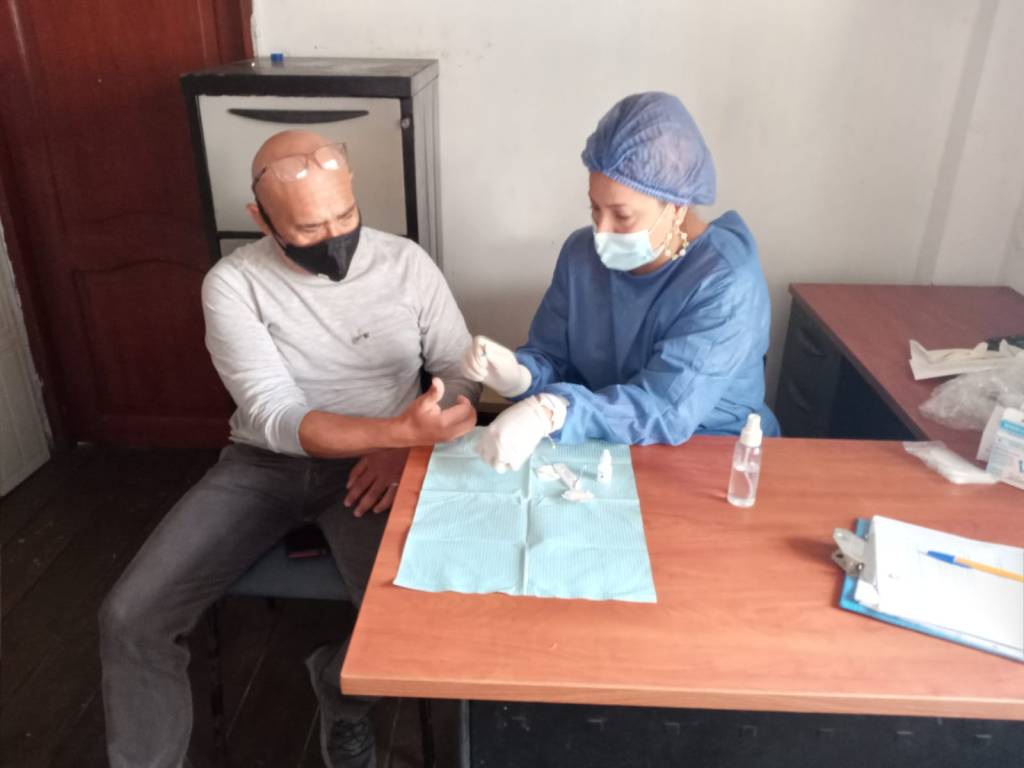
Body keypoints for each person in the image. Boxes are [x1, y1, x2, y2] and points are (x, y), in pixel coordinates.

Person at [98, 130, 479, 768]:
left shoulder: (407, 263)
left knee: (419, 624)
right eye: (307, 227)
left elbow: (460, 373)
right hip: (264, 466)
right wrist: (397, 433)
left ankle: (339, 693)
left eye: (345, 215)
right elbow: (277, 418)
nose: (334, 237)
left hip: (377, 469)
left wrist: (403, 447)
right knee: (130, 617)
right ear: (261, 219)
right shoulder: (232, 284)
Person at [462, 92, 779, 472]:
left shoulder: (725, 284)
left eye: (622, 216)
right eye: (594, 208)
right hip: (604, 443)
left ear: (677, 207)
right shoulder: (581, 255)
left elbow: (665, 409)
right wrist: (520, 376)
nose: (602, 230)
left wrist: (551, 412)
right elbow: (552, 358)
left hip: (711, 454)